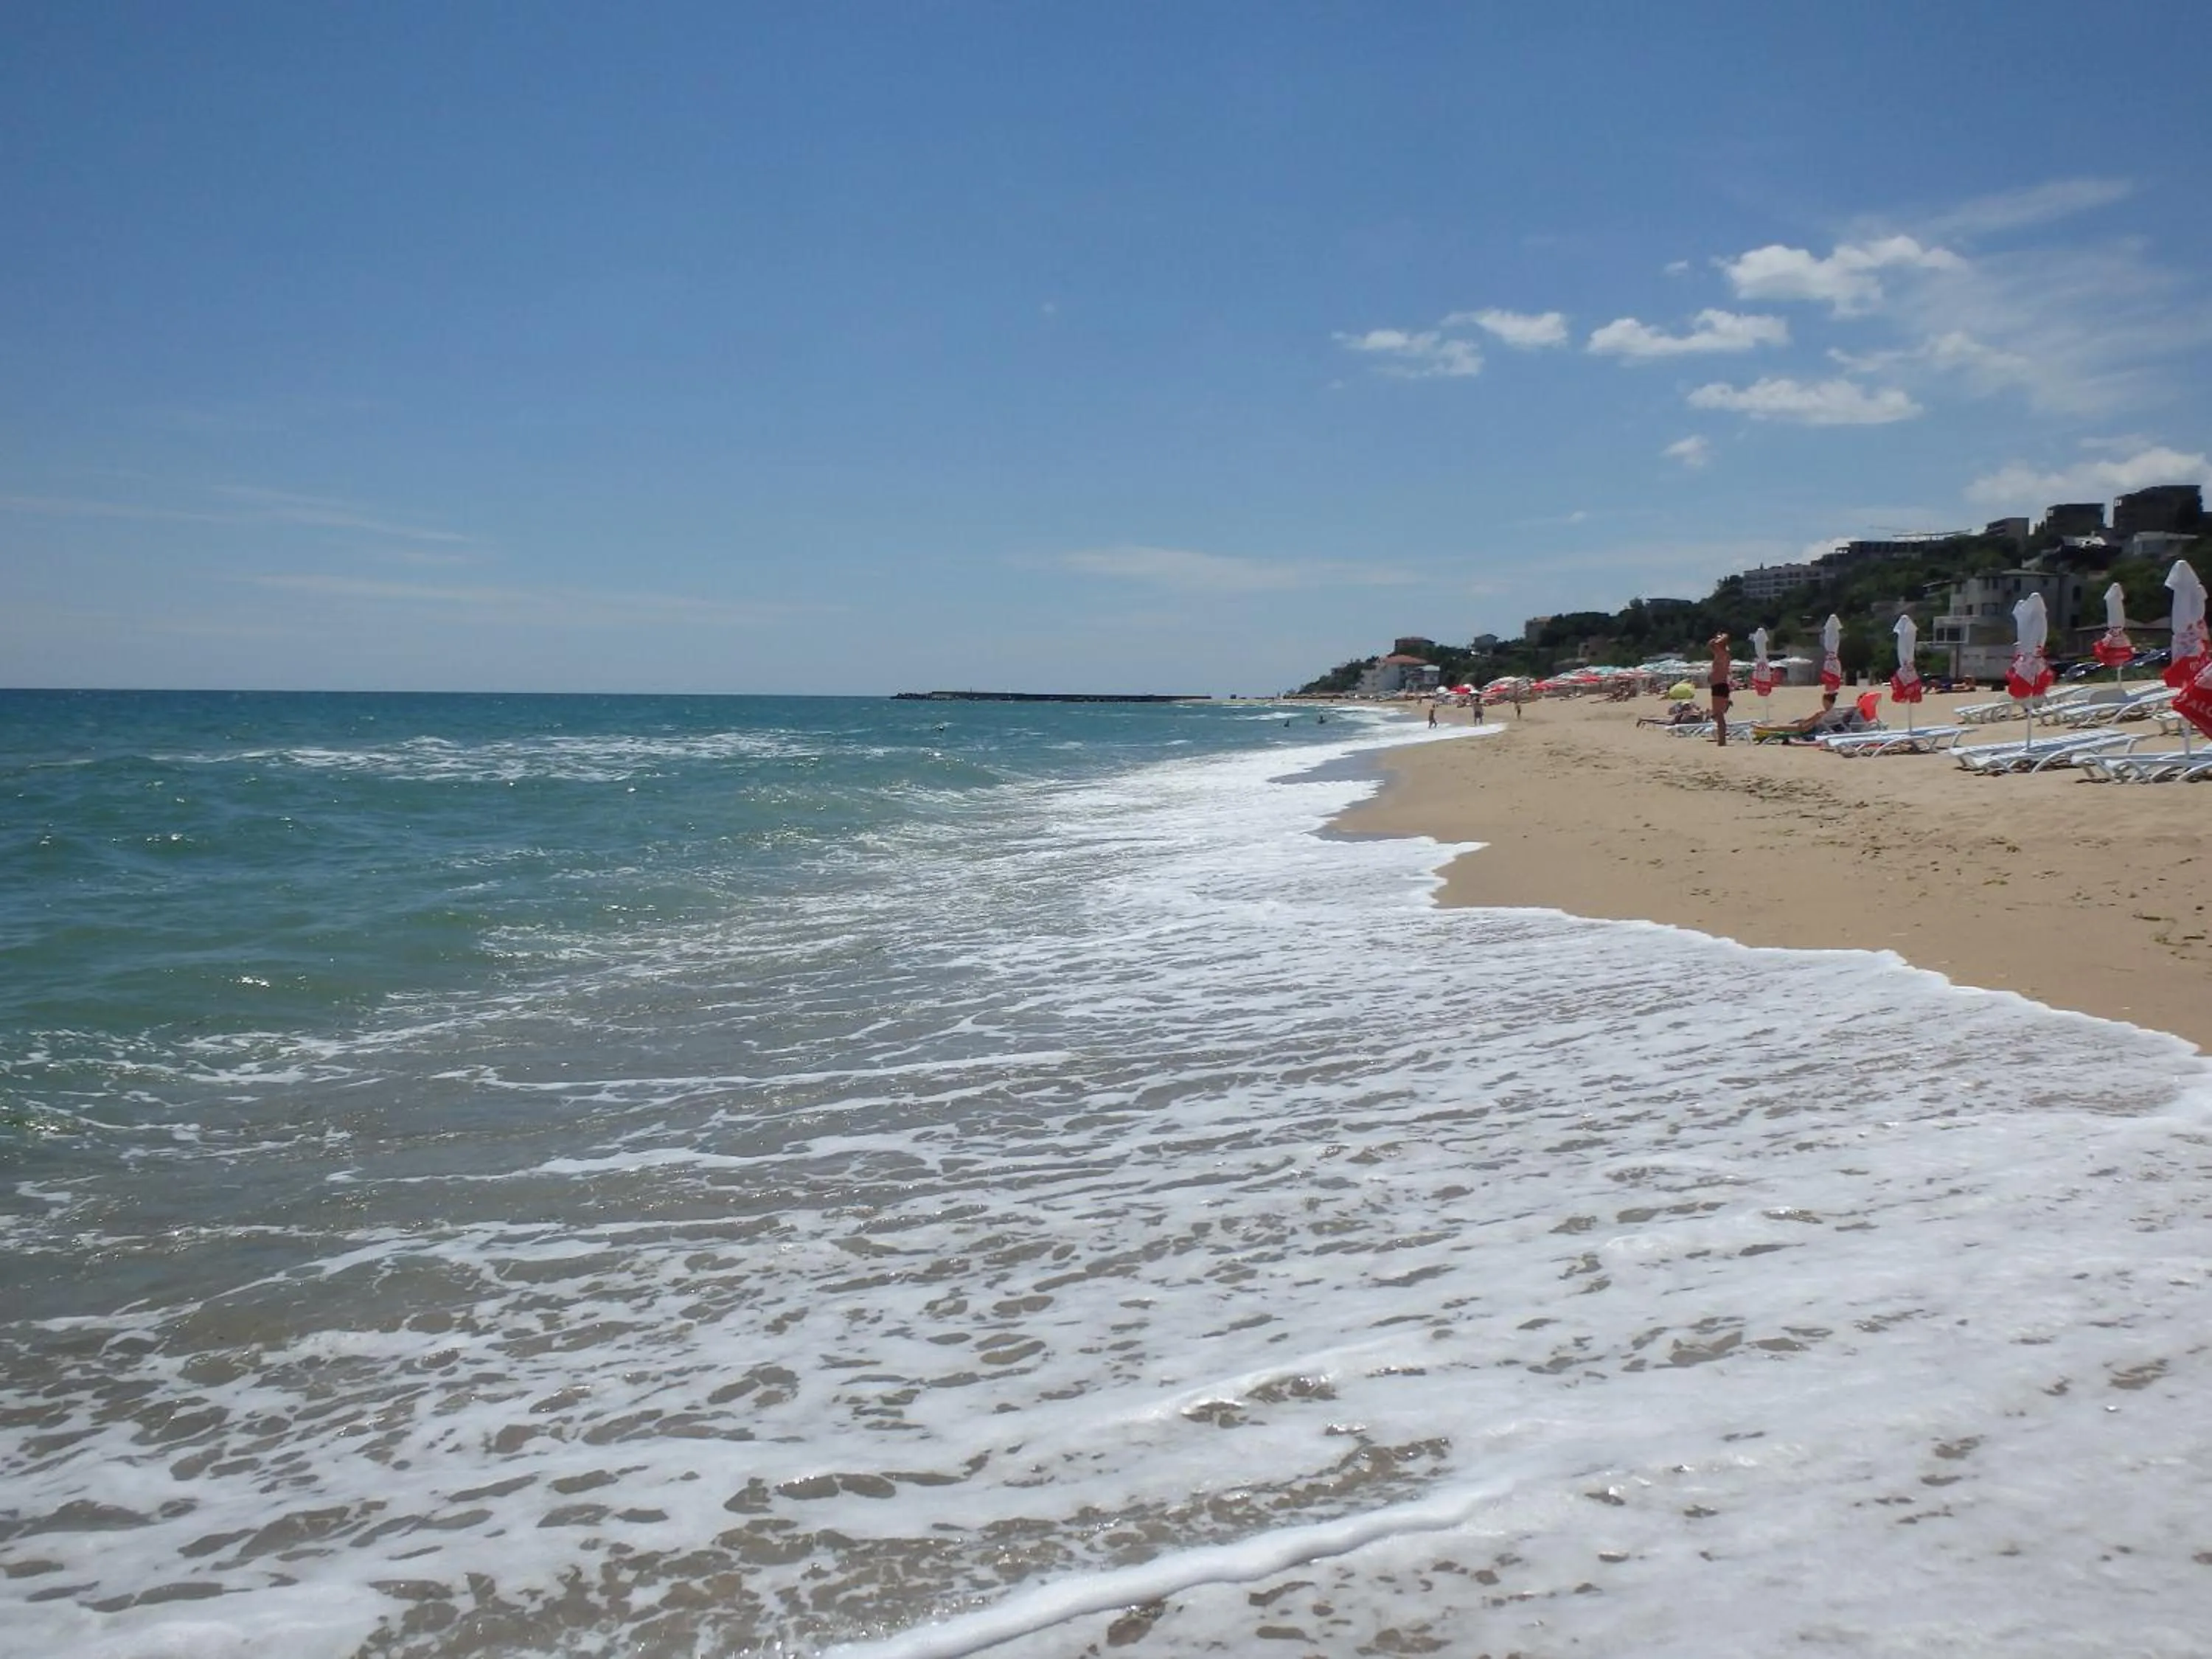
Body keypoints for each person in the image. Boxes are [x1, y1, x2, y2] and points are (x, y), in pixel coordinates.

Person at [1708, 633, 1733, 746]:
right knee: (1718, 714)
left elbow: (1712, 643)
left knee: (1718, 715)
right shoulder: (1725, 655)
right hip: (1722, 685)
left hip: (1718, 685)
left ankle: (1722, 740)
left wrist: (1720, 638)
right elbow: (1712, 645)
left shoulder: (1721, 654)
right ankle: (1721, 739)